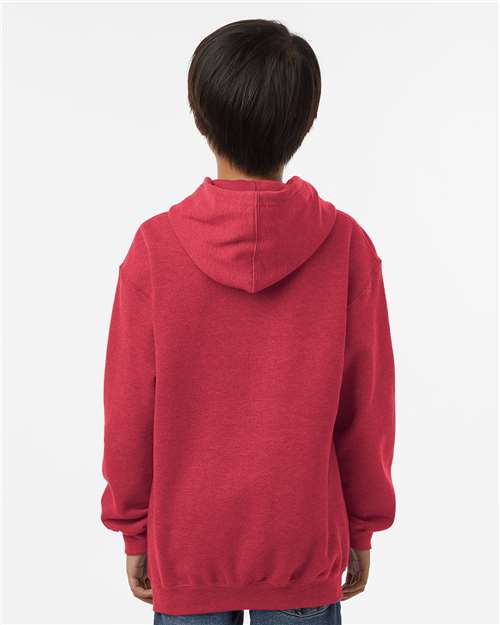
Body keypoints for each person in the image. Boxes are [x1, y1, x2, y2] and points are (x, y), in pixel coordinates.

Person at [100, 18, 396, 625]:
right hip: (303, 544)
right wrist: (362, 524)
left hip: (187, 547)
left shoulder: (156, 250)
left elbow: (129, 410)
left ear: (200, 115)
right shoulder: (346, 247)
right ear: (305, 120)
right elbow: (366, 410)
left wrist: (134, 528)